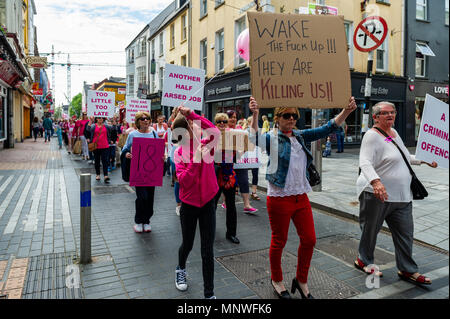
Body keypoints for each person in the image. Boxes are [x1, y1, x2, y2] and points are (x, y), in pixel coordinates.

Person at [249, 96, 357, 299]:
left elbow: (327, 128)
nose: (291, 119)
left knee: (309, 240)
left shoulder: (300, 136)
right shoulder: (271, 138)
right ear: (277, 119)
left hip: (300, 197)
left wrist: (347, 111)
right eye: (286, 115)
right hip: (280, 197)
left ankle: (301, 280)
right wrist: (255, 113)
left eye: (294, 116)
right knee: (279, 241)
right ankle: (277, 279)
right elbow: (253, 137)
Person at [355, 101, 438, 286]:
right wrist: (376, 182)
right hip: (376, 195)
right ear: (375, 117)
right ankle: (364, 260)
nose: (390, 115)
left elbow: (405, 157)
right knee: (370, 231)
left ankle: (408, 269)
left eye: (392, 112)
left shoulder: (394, 133)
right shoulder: (371, 136)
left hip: (402, 196)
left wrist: (425, 160)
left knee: (405, 234)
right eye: (385, 113)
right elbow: (365, 162)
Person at [173, 105, 220, 299]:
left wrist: (191, 113)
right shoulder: (179, 153)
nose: (195, 126)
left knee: (207, 249)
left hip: (208, 202)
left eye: (194, 123)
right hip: (190, 205)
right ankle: (180, 268)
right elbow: (184, 181)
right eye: (190, 124)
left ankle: (209, 294)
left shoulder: (206, 143)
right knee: (188, 244)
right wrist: (196, 159)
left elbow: (215, 131)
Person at [121, 112, 158, 233]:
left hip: (151, 171)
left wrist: (162, 156)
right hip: (138, 170)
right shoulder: (133, 134)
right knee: (142, 197)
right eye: (143, 119)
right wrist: (126, 154)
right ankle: (138, 221)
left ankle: (146, 221)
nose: (146, 121)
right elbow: (125, 148)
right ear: (138, 121)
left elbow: (158, 149)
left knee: (150, 197)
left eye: (148, 118)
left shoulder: (153, 133)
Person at [214, 113, 240, 244]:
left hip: (229, 175)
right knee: (212, 205)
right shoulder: (211, 137)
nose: (222, 124)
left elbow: (239, 154)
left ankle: (231, 233)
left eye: (224, 121)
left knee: (231, 206)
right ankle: (209, 230)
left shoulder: (233, 137)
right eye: (219, 122)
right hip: (215, 175)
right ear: (216, 123)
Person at [226, 110, 258, 214]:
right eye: (231, 117)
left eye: (235, 117)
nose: (233, 119)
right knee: (227, 182)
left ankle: (247, 205)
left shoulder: (240, 129)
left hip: (240, 159)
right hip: (227, 160)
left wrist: (245, 149)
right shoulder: (223, 130)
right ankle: (226, 202)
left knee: (244, 181)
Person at [88, 117, 112, 183]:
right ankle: (98, 174)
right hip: (96, 147)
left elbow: (114, 129)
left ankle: (106, 175)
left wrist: (113, 121)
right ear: (96, 119)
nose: (100, 119)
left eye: (102, 118)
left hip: (105, 146)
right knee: (97, 161)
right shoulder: (93, 126)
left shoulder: (106, 126)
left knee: (105, 161)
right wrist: (90, 122)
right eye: (99, 118)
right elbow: (87, 131)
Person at [246, 116, 261, 200]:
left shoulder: (258, 131)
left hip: (255, 154)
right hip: (246, 154)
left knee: (255, 173)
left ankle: (254, 192)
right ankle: (238, 187)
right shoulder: (246, 131)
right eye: (253, 121)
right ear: (249, 123)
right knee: (244, 172)